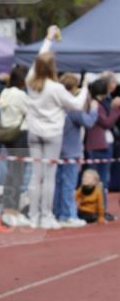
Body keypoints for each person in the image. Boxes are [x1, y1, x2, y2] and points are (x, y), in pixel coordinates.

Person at [25, 26, 87, 229]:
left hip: (34, 132)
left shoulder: (30, 81)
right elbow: (77, 105)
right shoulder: (56, 88)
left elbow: (40, 58)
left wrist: (48, 38)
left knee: (36, 175)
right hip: (52, 134)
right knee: (49, 176)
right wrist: (85, 88)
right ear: (53, 68)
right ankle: (46, 215)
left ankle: (33, 216)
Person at [52, 73, 97, 227]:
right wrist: (94, 110)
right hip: (70, 151)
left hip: (57, 150)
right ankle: (67, 214)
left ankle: (58, 213)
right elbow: (89, 122)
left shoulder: (57, 105)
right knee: (68, 184)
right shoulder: (73, 108)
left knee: (58, 183)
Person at [0, 64, 30, 224]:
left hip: (7, 135)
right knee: (18, 175)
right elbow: (31, 111)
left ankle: (9, 210)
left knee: (12, 173)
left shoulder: (5, 92)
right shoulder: (21, 95)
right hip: (20, 135)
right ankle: (13, 211)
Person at [84, 75, 120, 220]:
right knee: (99, 179)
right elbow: (107, 122)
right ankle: (97, 210)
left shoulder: (98, 104)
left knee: (102, 179)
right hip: (99, 145)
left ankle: (100, 209)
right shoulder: (96, 105)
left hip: (102, 144)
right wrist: (116, 110)